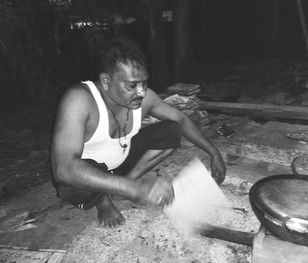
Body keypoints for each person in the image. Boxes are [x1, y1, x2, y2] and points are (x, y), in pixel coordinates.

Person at [50, 36, 226, 227]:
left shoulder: (145, 98)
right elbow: (64, 169)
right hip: (87, 176)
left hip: (120, 163)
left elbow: (181, 119)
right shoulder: (79, 99)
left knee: (171, 130)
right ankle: (102, 200)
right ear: (106, 81)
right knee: (71, 185)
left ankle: (122, 184)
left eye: (144, 83)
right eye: (132, 85)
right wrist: (136, 189)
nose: (141, 92)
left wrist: (214, 153)